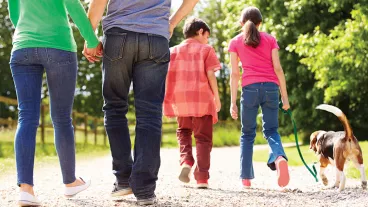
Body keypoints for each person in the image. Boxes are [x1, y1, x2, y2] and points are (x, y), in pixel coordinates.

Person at [84, 0, 200, 205]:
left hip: (118, 36)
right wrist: (171, 23)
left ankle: (123, 180)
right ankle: (145, 189)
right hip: (156, 38)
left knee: (115, 108)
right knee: (150, 112)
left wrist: (90, 35)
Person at [8, 0, 102, 206]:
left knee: (27, 117)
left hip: (23, 46)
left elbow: (14, 12)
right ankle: (70, 182)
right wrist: (92, 39)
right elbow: (73, 6)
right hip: (58, 44)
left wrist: (29, 31)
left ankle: (26, 189)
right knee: (61, 118)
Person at [228, 6, 291, 189]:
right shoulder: (270, 39)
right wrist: (284, 98)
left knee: (247, 134)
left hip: (249, 90)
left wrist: (232, 102)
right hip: (271, 88)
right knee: (271, 130)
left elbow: (234, 74)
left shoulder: (235, 42)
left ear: (241, 23)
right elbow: (278, 69)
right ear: (260, 23)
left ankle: (246, 178)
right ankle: (279, 157)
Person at [163, 17, 221, 189]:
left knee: (183, 131)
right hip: (202, 99)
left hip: (181, 100)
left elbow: (166, 76)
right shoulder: (206, 50)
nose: (207, 40)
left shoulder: (172, 51)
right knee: (203, 138)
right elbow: (211, 74)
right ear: (200, 31)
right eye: (207, 36)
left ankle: (186, 160)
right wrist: (216, 97)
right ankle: (202, 178)